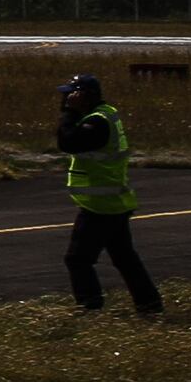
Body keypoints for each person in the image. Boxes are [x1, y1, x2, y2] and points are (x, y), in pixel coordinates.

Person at [56, 70, 158, 317]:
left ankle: (89, 308)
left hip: (100, 206)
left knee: (78, 259)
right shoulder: (105, 115)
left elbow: (68, 142)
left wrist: (69, 113)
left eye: (72, 95)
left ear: (86, 96)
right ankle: (150, 305)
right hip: (114, 202)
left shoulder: (98, 122)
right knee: (125, 258)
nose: (66, 100)